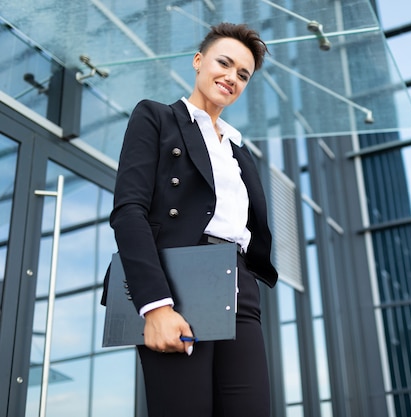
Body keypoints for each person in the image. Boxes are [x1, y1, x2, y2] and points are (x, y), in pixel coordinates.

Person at [101, 22, 278, 417]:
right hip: (177, 281)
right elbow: (129, 211)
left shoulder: (238, 149)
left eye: (243, 74)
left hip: (239, 283)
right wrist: (156, 306)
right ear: (199, 62)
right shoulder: (156, 118)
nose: (232, 77)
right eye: (224, 63)